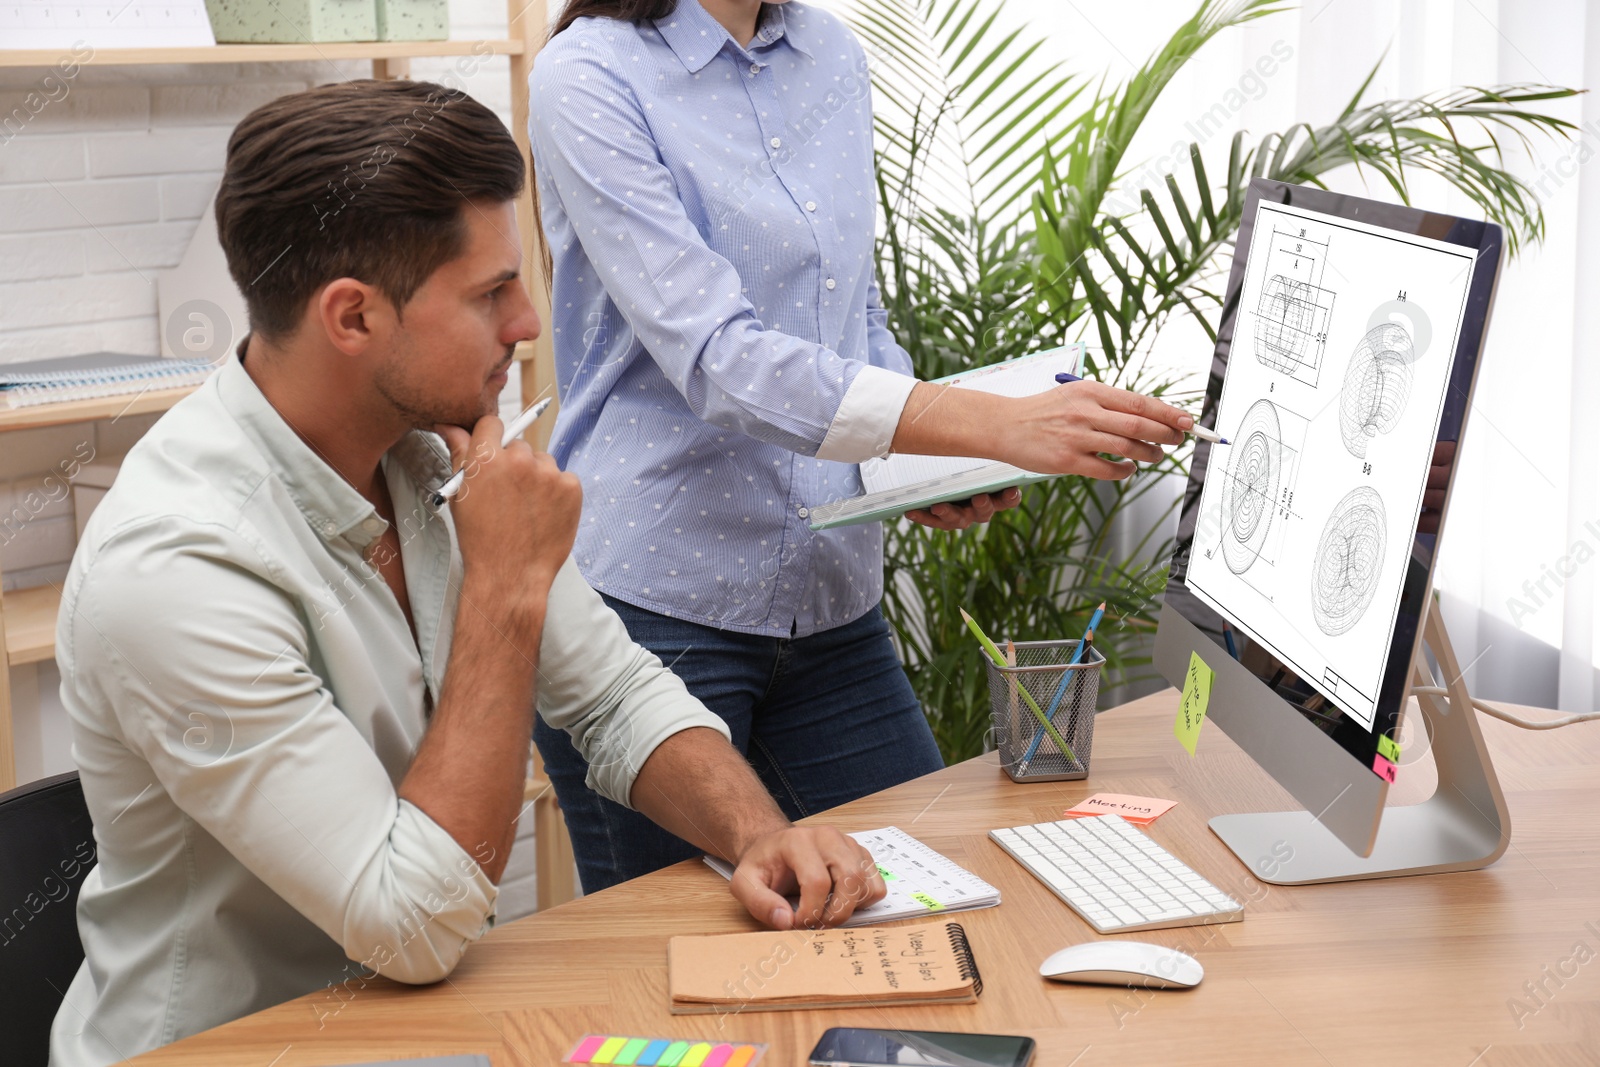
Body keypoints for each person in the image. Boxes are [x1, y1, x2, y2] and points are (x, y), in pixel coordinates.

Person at [48, 79, 883, 1067]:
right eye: (492, 293)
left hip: (421, 1026)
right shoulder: (174, 569)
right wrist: (504, 586)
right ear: (352, 316)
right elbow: (411, 922)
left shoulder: (426, 453)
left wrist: (754, 833)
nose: (529, 323)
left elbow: (613, 699)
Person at [528, 0, 1195, 893]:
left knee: (930, 899)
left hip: (830, 598)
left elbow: (853, 310)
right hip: (654, 616)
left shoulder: (828, 54)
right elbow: (719, 360)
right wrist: (989, 422)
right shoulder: (590, 75)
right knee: (683, 973)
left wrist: (919, 469)